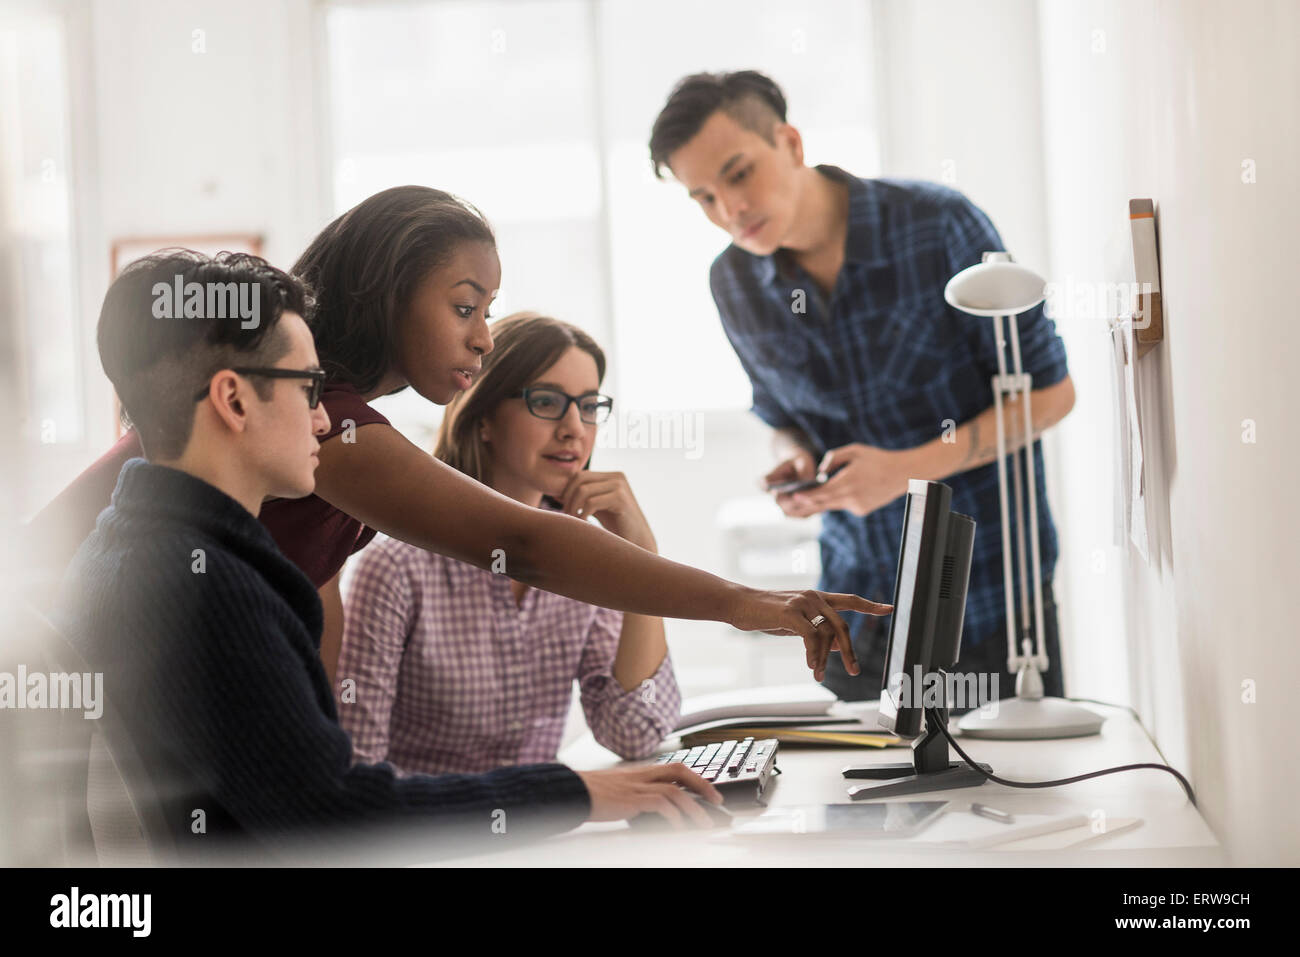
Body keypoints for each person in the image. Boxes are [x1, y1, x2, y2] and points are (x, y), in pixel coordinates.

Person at [31, 186, 892, 690]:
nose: (485, 336)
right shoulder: (314, 417)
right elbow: (521, 541)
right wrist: (753, 604)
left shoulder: (332, 421)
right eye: (464, 306)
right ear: (387, 292)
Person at [56, 251, 727, 863]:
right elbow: (341, 814)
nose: (326, 420)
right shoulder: (209, 587)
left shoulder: (128, 551)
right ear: (234, 399)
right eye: (308, 388)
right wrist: (578, 793)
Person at [649, 71, 1076, 702]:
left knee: (1015, 794)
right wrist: (790, 459)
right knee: (864, 799)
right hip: (857, 612)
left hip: (991, 600)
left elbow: (1050, 397)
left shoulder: (938, 225)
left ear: (790, 143)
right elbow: (780, 416)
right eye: (704, 198)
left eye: (739, 175)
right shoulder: (732, 283)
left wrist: (905, 471)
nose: (729, 211)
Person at [339, 312, 680, 772]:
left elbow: (635, 733)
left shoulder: (582, 556)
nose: (574, 429)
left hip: (542, 833)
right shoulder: (395, 568)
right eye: (546, 401)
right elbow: (357, 768)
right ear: (484, 418)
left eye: (589, 406)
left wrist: (641, 556)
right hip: (428, 837)